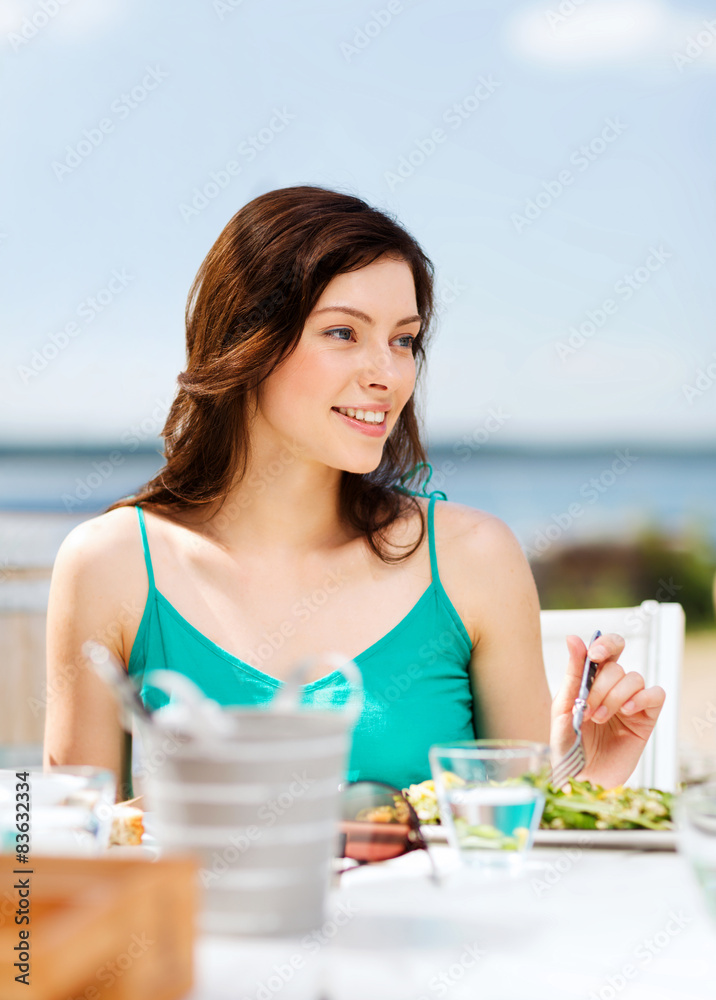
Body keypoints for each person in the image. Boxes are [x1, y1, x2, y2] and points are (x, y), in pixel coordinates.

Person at [44, 185, 666, 802]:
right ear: (244, 340)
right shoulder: (110, 565)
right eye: (343, 333)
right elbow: (54, 869)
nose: (388, 374)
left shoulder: (476, 559)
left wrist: (585, 780)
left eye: (404, 340)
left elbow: (512, 848)